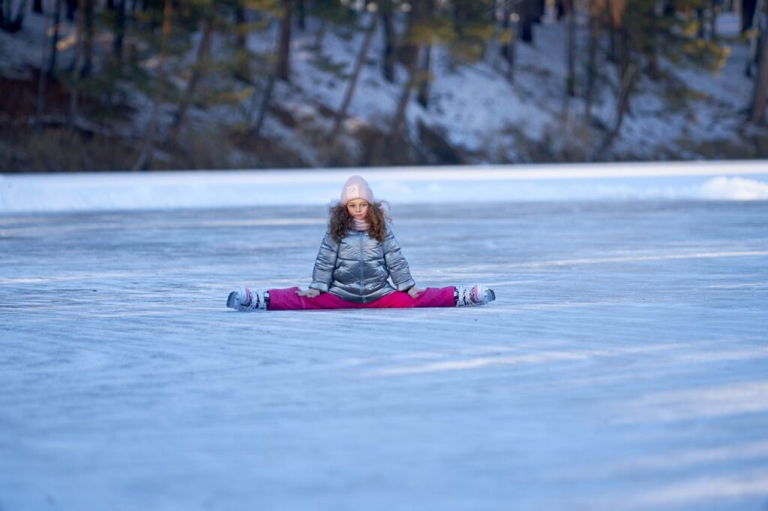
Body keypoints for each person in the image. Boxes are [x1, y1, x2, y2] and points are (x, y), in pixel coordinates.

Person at [226, 175, 495, 312]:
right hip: (341, 295)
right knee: (302, 300)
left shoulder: (381, 230)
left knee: (419, 299)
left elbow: (395, 258)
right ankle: (258, 299)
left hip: (380, 295)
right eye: (352, 205)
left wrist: (407, 286)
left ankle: (464, 295)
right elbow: (324, 260)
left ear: (370, 205)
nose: (357, 209)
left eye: (362, 204)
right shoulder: (336, 231)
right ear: (346, 207)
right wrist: (318, 288)